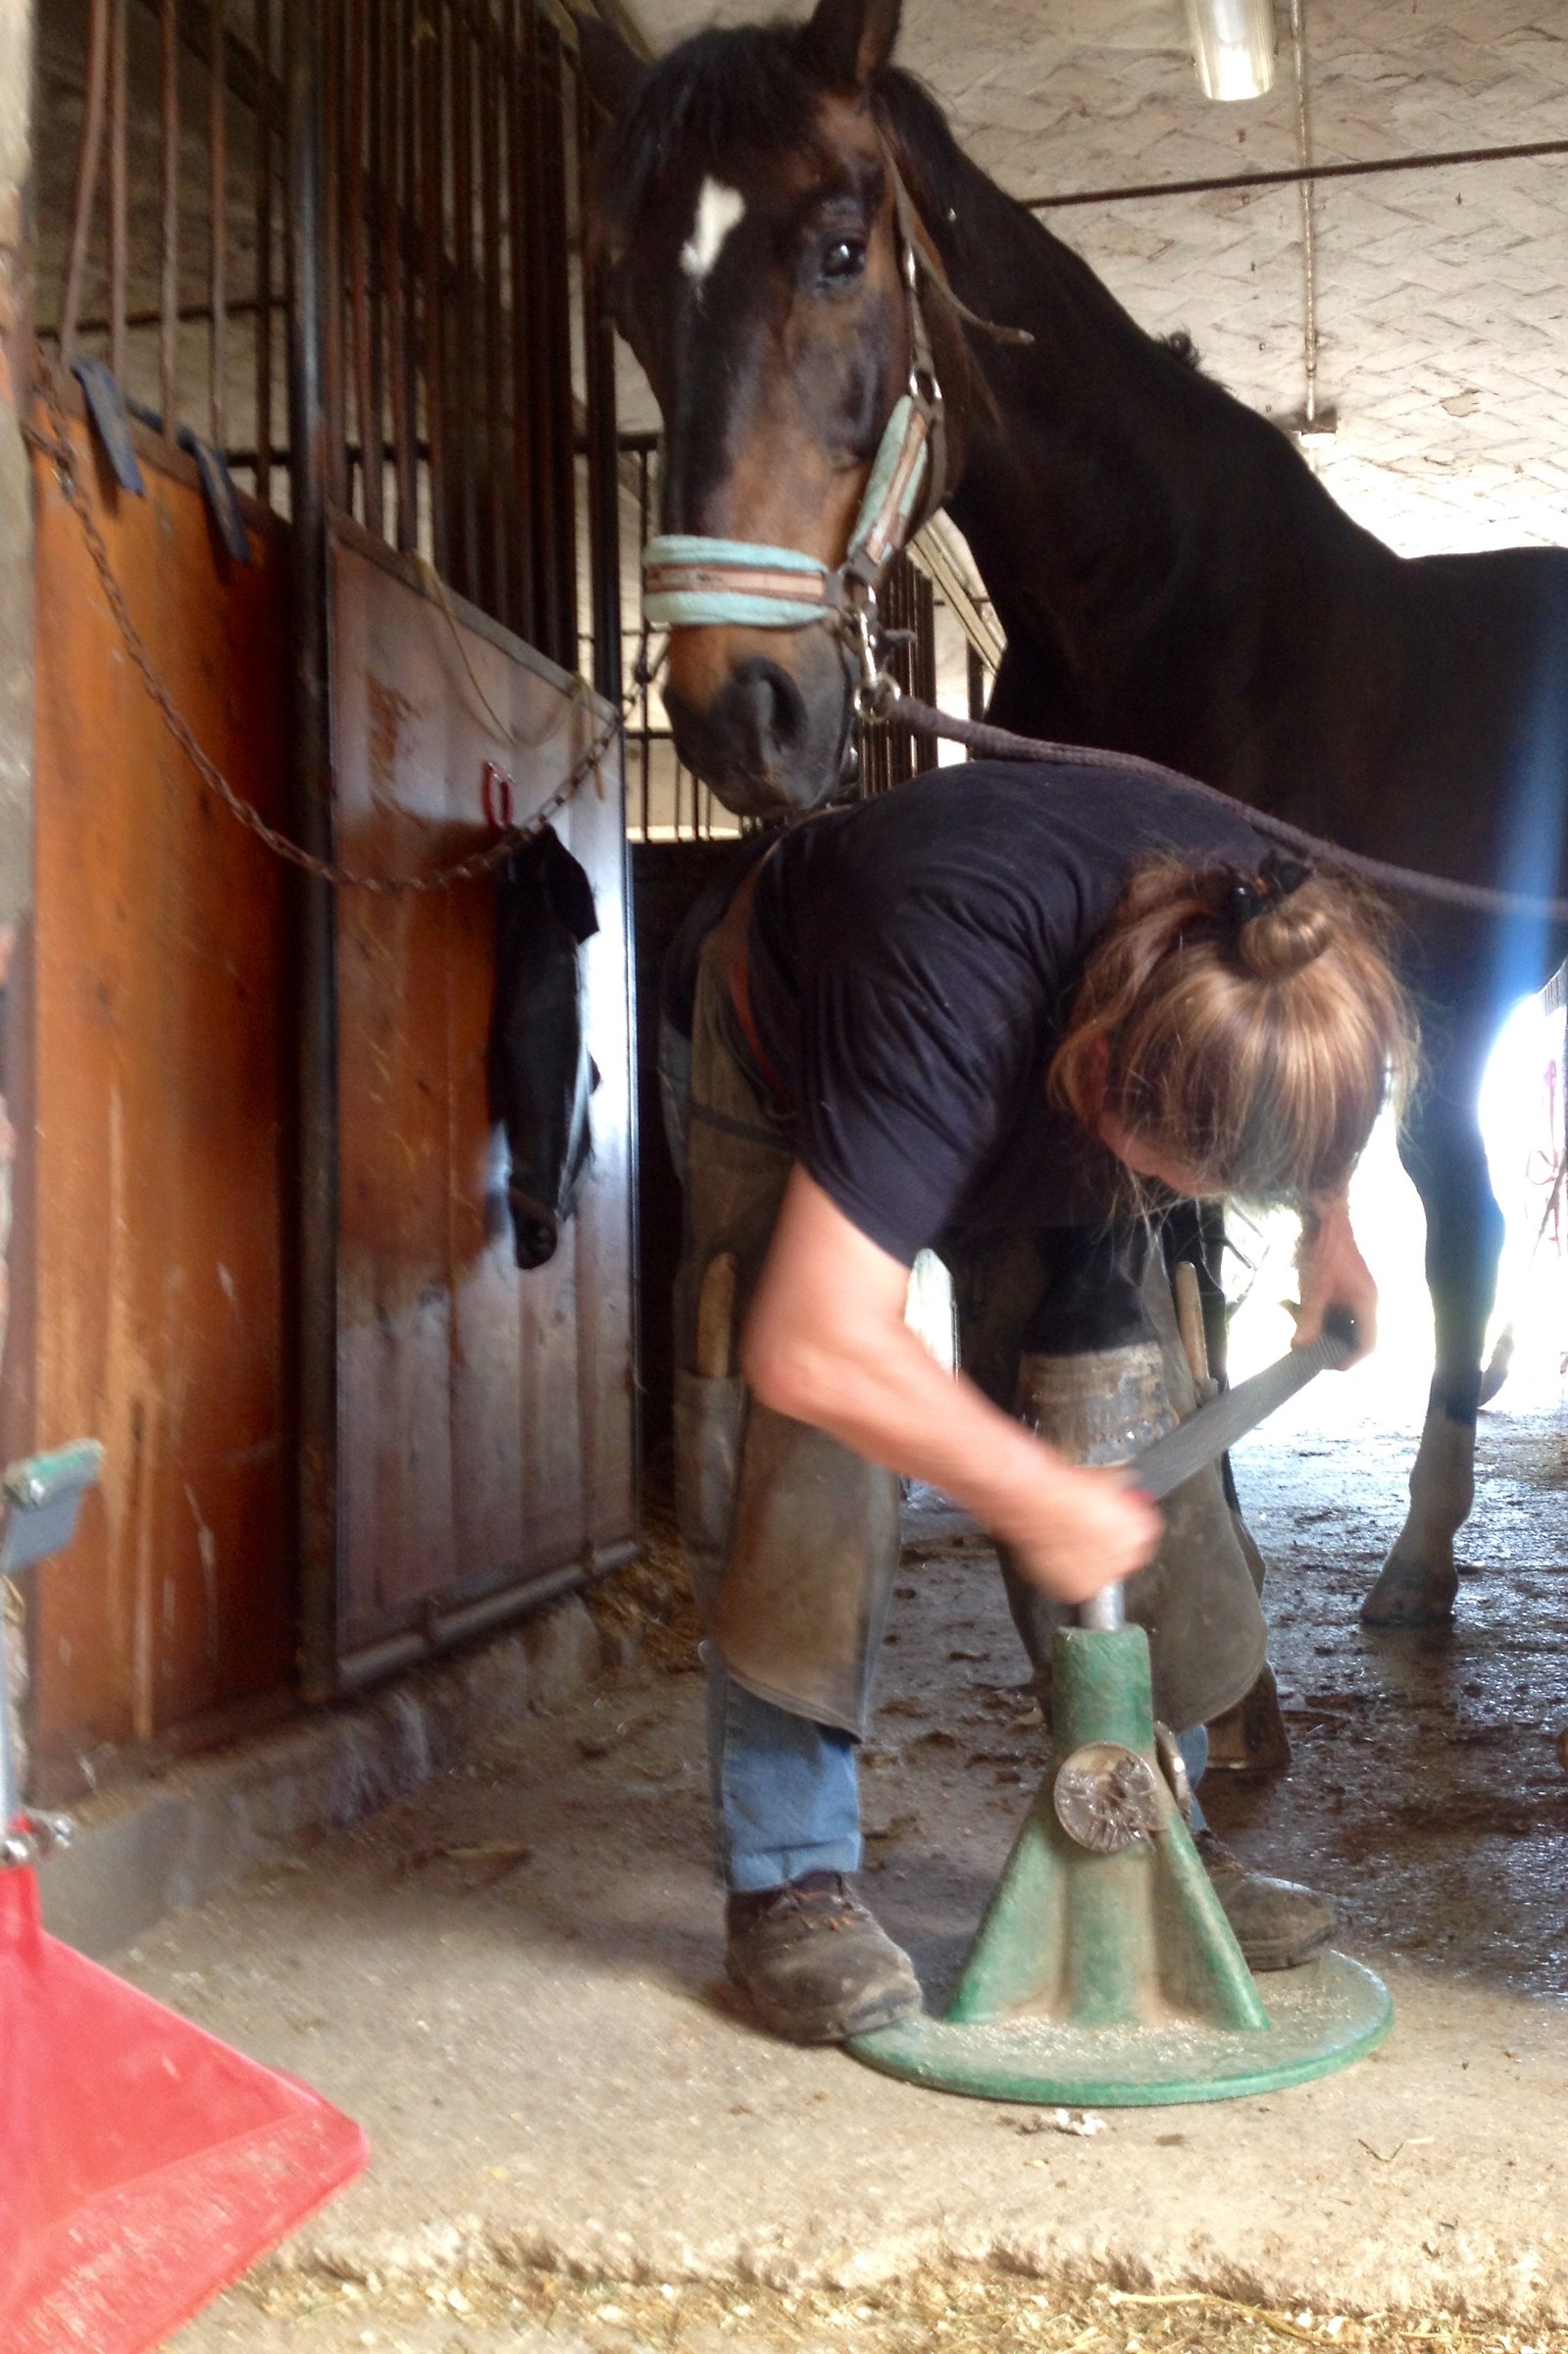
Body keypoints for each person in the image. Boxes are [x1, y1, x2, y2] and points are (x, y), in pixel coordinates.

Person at [662, 756, 1416, 2045]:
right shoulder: (942, 974)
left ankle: (1146, 1831)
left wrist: (1327, 1229)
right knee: (814, 1424)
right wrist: (1029, 1491)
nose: (1187, 1198)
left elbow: (1315, 1055)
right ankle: (789, 1873)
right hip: (803, 1042)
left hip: (1058, 1043)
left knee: (1114, 1374)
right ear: (1106, 1071)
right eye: (1184, 1172)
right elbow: (816, 1343)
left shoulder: (1269, 930)